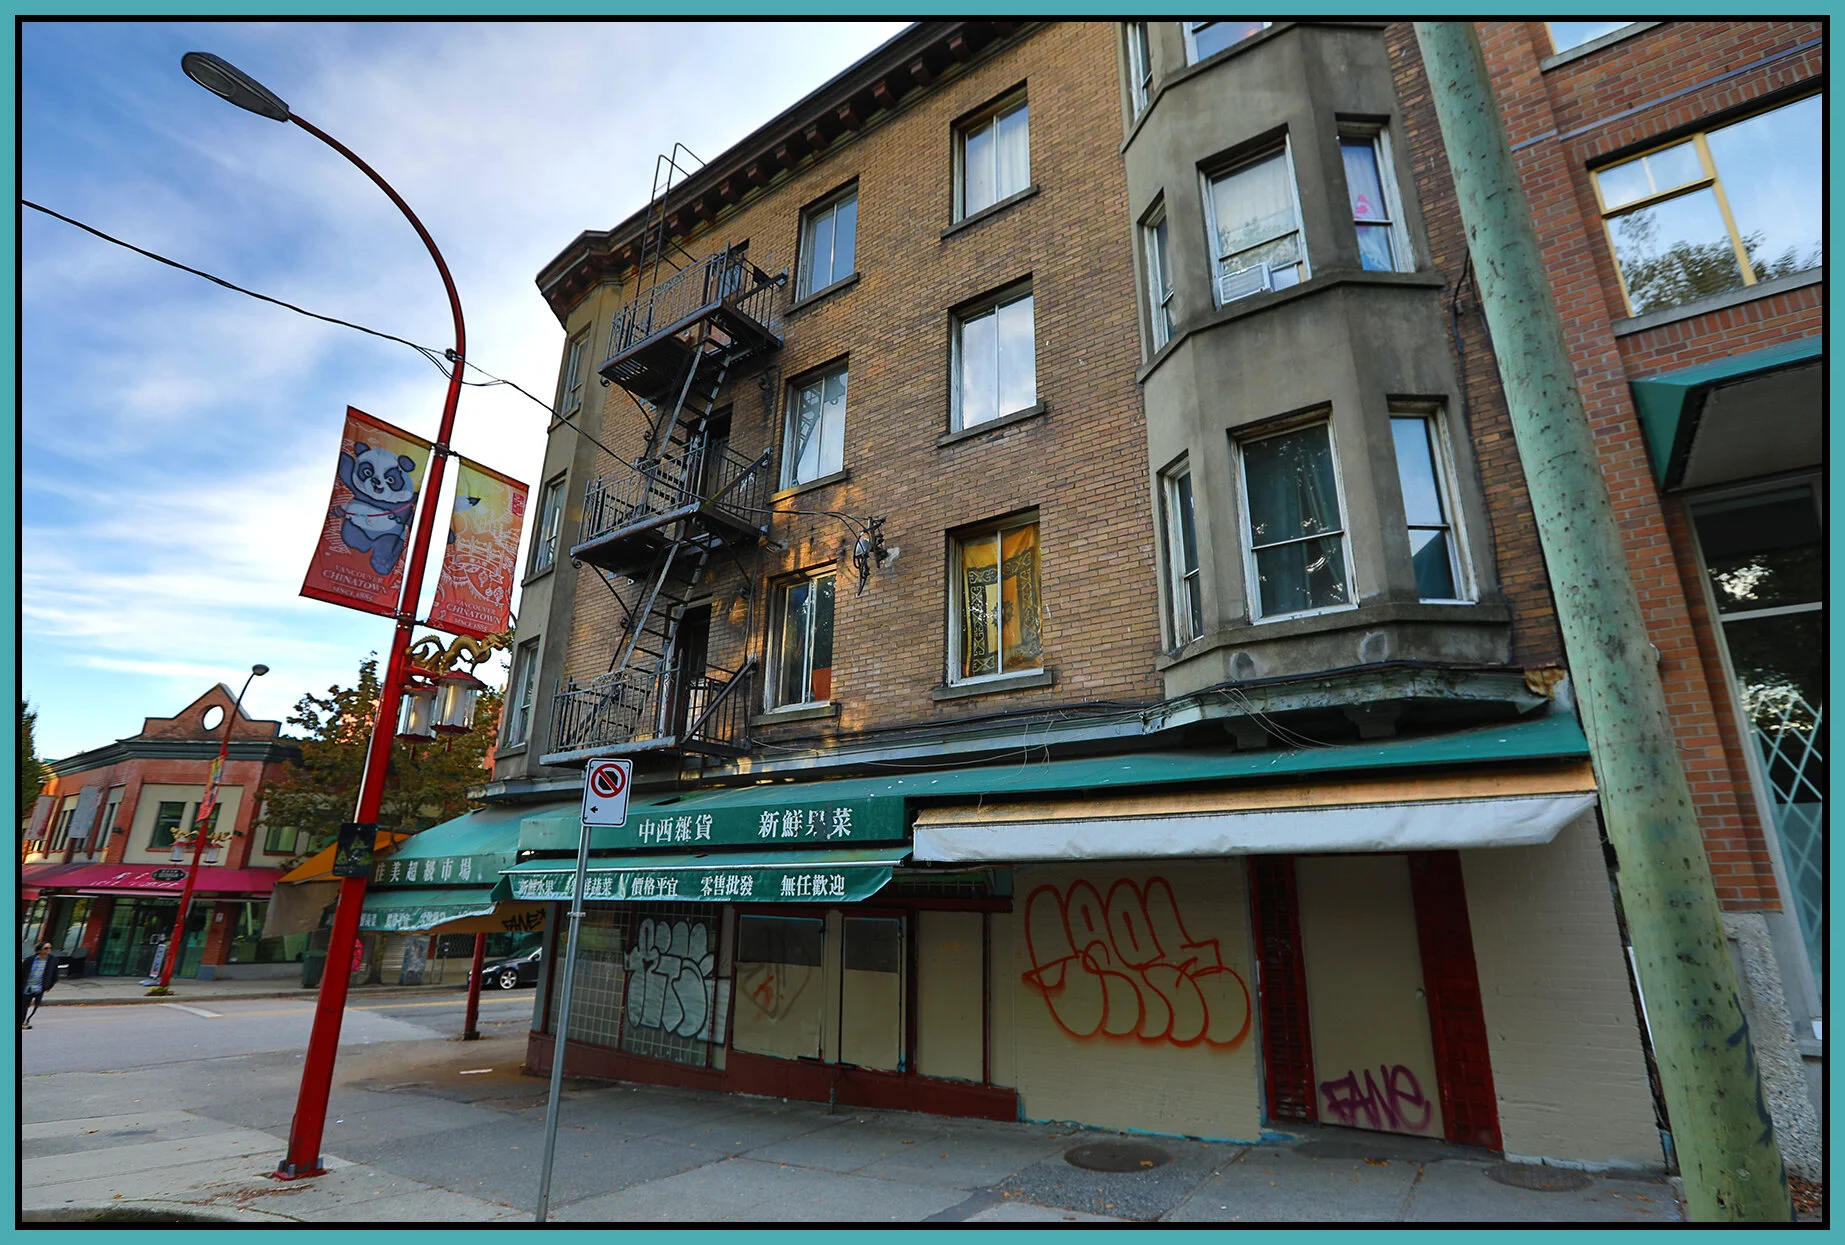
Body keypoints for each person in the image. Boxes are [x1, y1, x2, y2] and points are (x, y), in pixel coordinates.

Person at [20, 940, 58, 1029]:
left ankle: (27, 1020)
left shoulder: (52, 960)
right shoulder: (29, 960)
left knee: (35, 1006)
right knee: (24, 1005)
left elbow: (55, 974)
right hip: (27, 986)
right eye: (46, 948)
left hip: (40, 987)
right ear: (39, 950)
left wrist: (49, 985)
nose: (49, 950)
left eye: (50, 948)